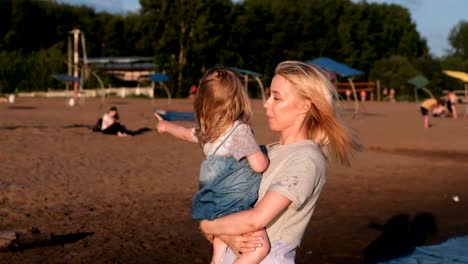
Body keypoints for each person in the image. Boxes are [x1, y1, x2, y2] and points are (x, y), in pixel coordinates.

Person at [199, 61, 361, 263]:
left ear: (305, 106)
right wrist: (225, 234)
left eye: (277, 97)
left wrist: (208, 225)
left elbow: (256, 219)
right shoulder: (267, 151)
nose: (267, 103)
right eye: (269, 95)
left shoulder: (306, 159)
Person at [154, 66, 271, 264]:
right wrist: (266, 155)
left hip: (211, 203)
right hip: (234, 204)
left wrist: (165, 126)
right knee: (260, 248)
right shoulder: (240, 131)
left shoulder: (207, 133)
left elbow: (183, 133)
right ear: (238, 100)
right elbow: (259, 165)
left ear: (204, 103)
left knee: (219, 248)